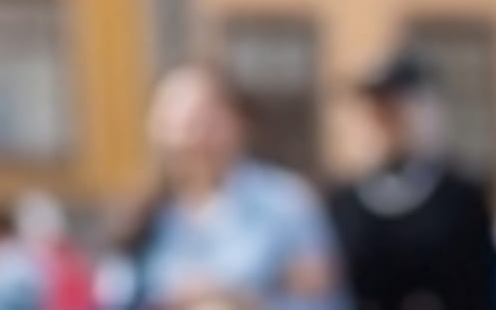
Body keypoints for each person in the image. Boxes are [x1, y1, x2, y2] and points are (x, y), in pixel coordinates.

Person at [112, 62, 344, 310]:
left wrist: (239, 300)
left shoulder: (286, 205)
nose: (195, 137)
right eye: (180, 123)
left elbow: (322, 300)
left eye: (206, 120)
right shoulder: (143, 220)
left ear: (239, 123)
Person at [326, 53, 496, 310]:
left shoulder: (459, 198)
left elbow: (483, 286)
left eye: (393, 110)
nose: (382, 122)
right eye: (375, 111)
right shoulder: (343, 202)